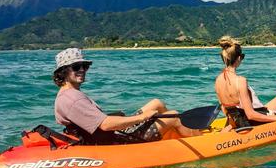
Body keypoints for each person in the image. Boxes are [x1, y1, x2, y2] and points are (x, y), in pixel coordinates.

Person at [52, 48, 200, 145]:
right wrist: (142, 117)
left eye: (85, 66)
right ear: (63, 71)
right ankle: (201, 142)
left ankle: (173, 135)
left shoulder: (68, 94)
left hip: (110, 134)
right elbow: (105, 125)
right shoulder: (72, 99)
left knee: (157, 103)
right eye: (76, 67)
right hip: (116, 141)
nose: (82, 70)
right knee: (174, 115)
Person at [214, 36, 276, 130]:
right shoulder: (240, 81)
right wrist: (275, 118)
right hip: (251, 123)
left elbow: (225, 110)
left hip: (238, 121)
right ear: (239, 58)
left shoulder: (218, 80)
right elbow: (251, 115)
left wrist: (231, 125)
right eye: (242, 57)